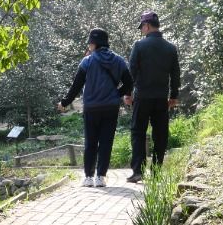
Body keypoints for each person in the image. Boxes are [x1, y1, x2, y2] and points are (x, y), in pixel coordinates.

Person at [57, 28, 133, 187]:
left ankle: (88, 177)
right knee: (106, 142)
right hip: (111, 108)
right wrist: (115, 94)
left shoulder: (87, 61)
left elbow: (76, 86)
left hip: (91, 108)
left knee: (90, 142)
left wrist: (64, 102)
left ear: (93, 44)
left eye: (90, 43)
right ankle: (101, 177)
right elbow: (130, 83)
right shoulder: (118, 60)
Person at [124, 11, 180, 183]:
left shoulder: (139, 46)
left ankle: (138, 171)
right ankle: (156, 172)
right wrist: (174, 96)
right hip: (161, 98)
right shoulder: (170, 48)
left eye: (142, 27)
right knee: (160, 134)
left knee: (138, 132)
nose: (141, 30)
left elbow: (131, 71)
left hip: (142, 97)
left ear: (147, 26)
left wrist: (127, 93)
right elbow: (175, 74)